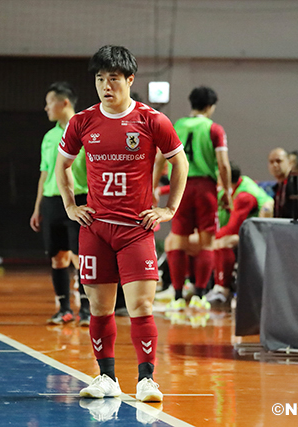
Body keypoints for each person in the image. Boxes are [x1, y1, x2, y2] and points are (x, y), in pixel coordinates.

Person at [55, 45, 188, 402]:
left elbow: (181, 163)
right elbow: (61, 165)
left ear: (130, 79)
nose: (105, 85)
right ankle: (106, 378)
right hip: (96, 229)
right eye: (100, 79)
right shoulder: (82, 121)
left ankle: (147, 380)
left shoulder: (152, 120)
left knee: (141, 307)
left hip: (136, 231)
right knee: (99, 309)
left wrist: (169, 209)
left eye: (113, 78)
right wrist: (70, 205)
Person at [156, 86, 232, 312]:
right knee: (207, 242)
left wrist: (152, 185)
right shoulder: (214, 128)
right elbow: (223, 164)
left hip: (180, 185)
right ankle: (199, 294)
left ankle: (178, 295)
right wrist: (227, 192)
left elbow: (160, 158)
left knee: (178, 240)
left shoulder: (176, 125)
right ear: (210, 106)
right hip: (205, 187)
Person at [30, 82, 91, 326]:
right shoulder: (49, 137)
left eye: (49, 102)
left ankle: (86, 309)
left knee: (81, 258)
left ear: (64, 102)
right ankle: (64, 309)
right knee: (57, 258)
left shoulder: (86, 131)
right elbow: (44, 173)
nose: (46, 108)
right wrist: (38, 207)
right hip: (53, 201)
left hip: (80, 200)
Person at [205, 164, 274, 305]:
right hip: (248, 230)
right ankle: (215, 286)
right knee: (213, 241)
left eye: (218, 176)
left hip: (261, 234)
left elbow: (233, 227)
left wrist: (212, 239)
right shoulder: (233, 188)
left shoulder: (244, 196)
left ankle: (223, 289)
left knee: (223, 243)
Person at [268, 148, 298, 218]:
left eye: (279, 161)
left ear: (289, 163)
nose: (274, 165)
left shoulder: (297, 183)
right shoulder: (279, 186)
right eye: (271, 162)